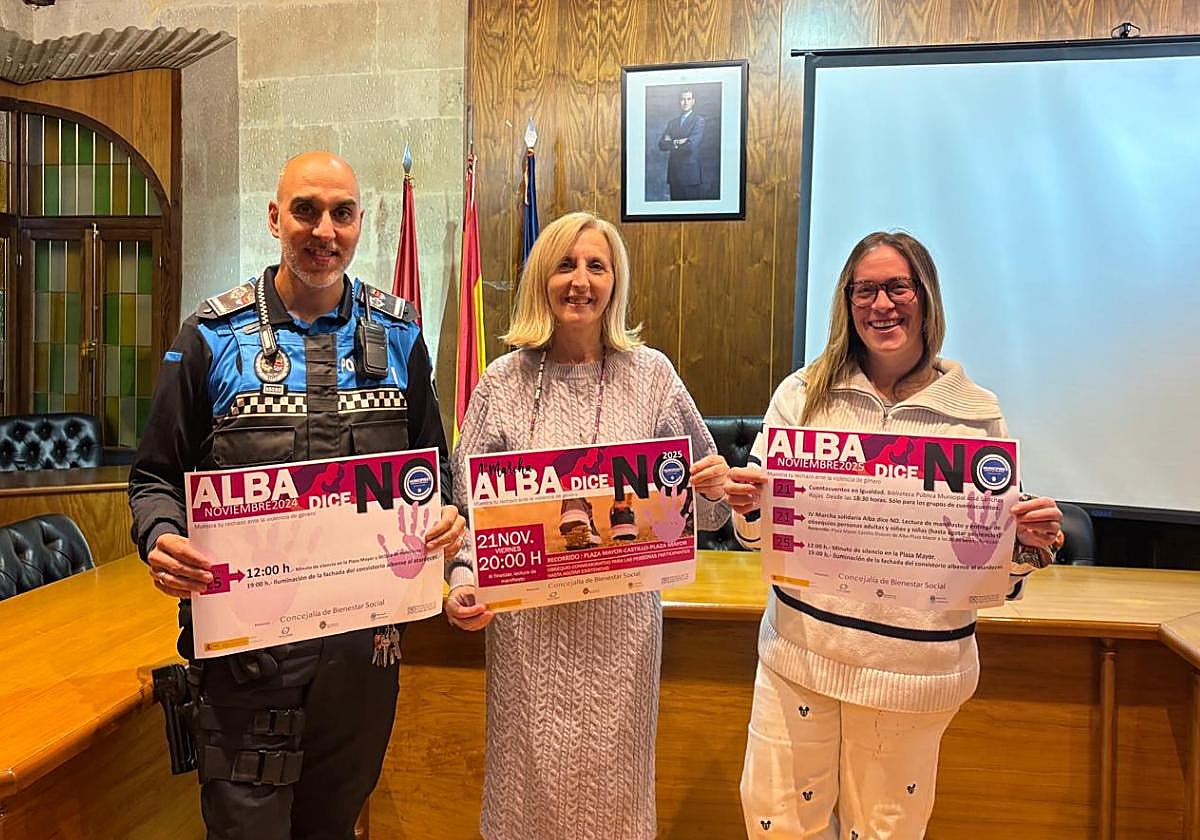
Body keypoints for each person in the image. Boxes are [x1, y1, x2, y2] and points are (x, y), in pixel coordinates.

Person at [128, 151, 466, 840]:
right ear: (275, 216)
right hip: (246, 664)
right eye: (306, 210)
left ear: (360, 224)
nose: (323, 230)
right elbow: (155, 478)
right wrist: (160, 538)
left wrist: (450, 516)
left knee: (334, 828)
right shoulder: (209, 337)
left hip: (362, 659)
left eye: (341, 213)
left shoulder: (399, 335)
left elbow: (437, 469)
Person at [725, 231, 1063, 840]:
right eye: (866, 290)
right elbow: (758, 539)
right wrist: (750, 508)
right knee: (775, 826)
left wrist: (1025, 548)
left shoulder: (975, 412)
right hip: (798, 659)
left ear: (926, 297)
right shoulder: (801, 396)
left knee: (884, 833)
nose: (882, 304)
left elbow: (988, 566)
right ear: (847, 302)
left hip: (913, 677)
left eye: (898, 287)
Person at [444, 211, 731, 840]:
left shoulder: (652, 375)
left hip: (621, 634)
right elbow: (466, 513)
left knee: (616, 801)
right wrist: (462, 579)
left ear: (615, 282)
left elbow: (707, 514)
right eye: (565, 265)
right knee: (525, 799)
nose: (580, 280)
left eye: (596, 265)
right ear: (541, 279)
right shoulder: (501, 383)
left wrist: (714, 486)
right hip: (524, 634)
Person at [657, 89, 705, 200]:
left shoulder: (699, 121)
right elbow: (661, 144)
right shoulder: (672, 123)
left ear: (693, 101)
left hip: (690, 176)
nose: (685, 102)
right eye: (683, 99)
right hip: (674, 175)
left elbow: (691, 146)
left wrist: (672, 142)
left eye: (688, 99)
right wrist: (678, 141)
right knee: (675, 213)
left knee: (691, 213)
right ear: (679, 102)